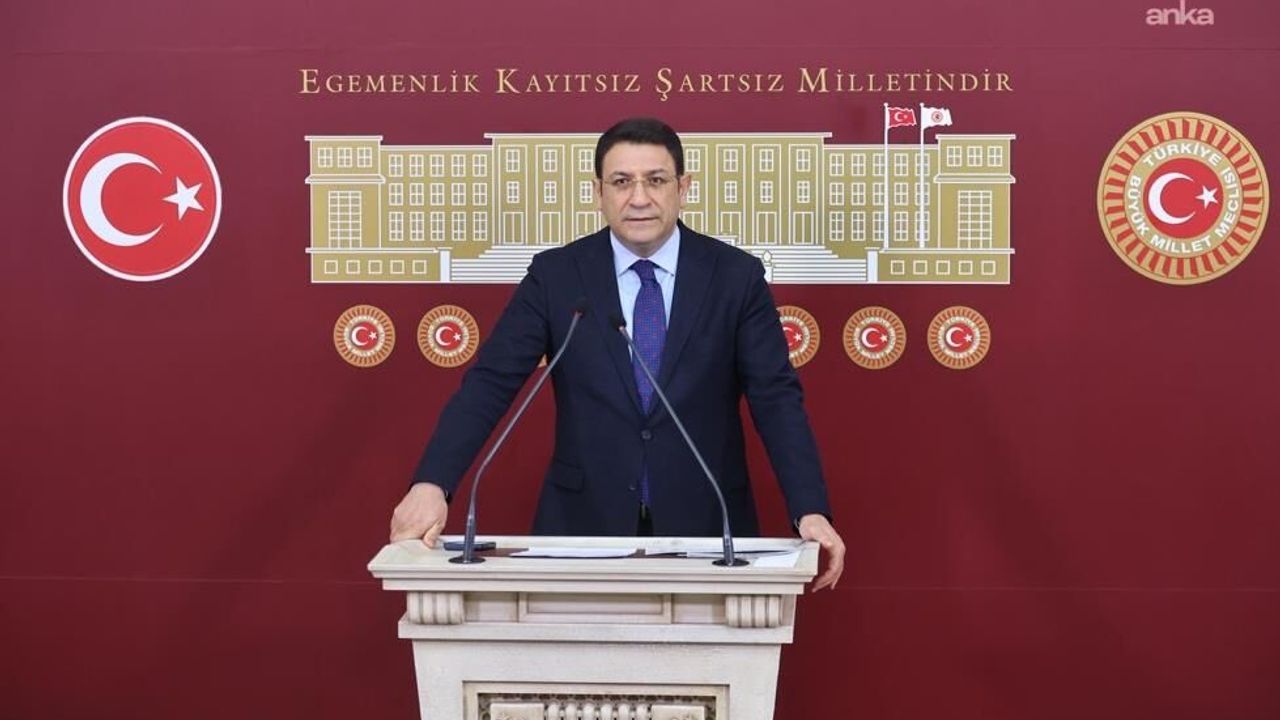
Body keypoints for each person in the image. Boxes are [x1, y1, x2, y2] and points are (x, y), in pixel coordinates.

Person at [390, 117, 845, 589]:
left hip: (707, 525)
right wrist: (433, 483)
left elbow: (775, 397)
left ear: (683, 188)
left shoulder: (735, 277)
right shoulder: (558, 275)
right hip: (582, 525)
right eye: (622, 182)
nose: (639, 198)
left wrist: (808, 509)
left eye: (656, 180)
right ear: (598, 192)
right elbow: (489, 383)